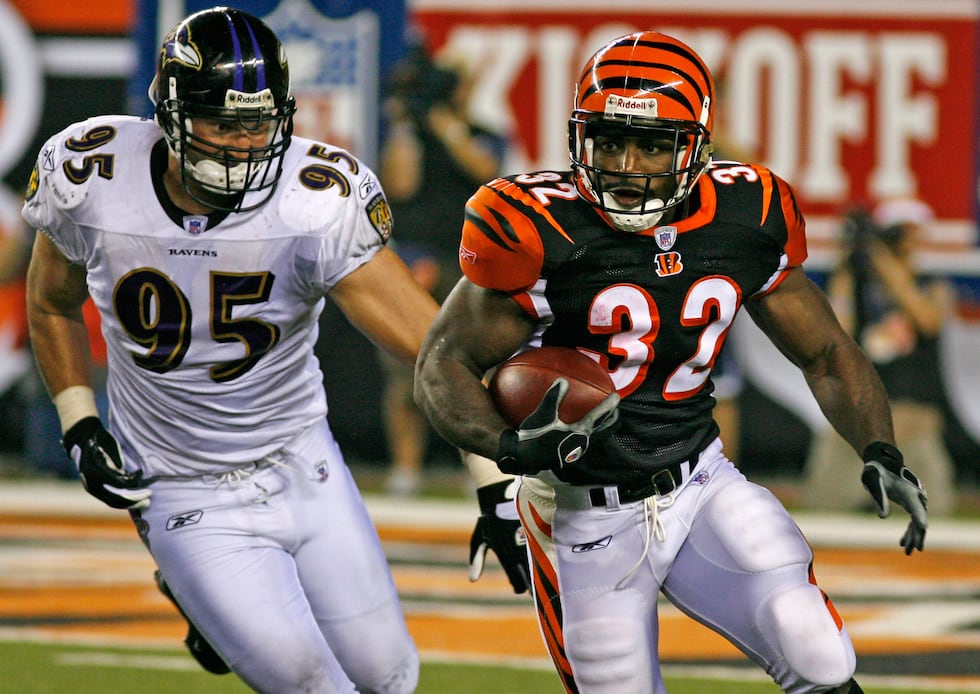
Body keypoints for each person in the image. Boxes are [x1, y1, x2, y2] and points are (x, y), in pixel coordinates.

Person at [414, 31, 929, 694]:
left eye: (653, 144)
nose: (626, 164)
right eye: (608, 140)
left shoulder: (746, 214)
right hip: (580, 512)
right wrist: (509, 446)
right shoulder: (542, 225)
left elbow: (827, 351)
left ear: (696, 147)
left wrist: (880, 448)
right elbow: (444, 361)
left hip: (697, 481)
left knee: (819, 653)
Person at [23, 7, 436, 692]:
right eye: (223, 121)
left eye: (258, 123)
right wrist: (79, 421)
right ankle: (196, 584)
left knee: (390, 675)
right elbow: (51, 302)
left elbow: (431, 346)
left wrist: (498, 469)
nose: (244, 144)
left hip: (301, 457)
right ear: (170, 113)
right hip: (178, 481)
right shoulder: (92, 174)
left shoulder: (312, 199)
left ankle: (205, 602)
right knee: (312, 685)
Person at [377, 38, 508, 495]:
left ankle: (485, 467)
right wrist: (408, 126)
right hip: (415, 255)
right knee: (406, 365)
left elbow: (484, 167)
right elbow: (400, 182)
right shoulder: (407, 129)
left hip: (469, 261)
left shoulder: (481, 129)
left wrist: (444, 123)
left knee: (478, 368)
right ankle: (406, 467)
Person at [802, 199, 958, 515]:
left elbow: (927, 318)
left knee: (933, 518)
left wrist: (880, 260)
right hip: (861, 422)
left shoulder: (932, 285)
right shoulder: (858, 286)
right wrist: (846, 268)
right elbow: (836, 330)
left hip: (914, 422)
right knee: (822, 512)